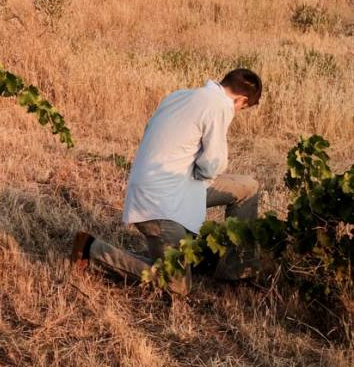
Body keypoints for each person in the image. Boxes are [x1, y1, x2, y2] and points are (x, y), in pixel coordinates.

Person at [72, 69, 264, 295]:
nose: (238, 111)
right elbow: (213, 164)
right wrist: (201, 177)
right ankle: (92, 251)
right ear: (241, 100)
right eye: (242, 108)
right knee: (177, 286)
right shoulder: (220, 105)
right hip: (161, 205)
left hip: (166, 188)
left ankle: (233, 272)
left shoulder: (179, 96)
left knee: (247, 187)